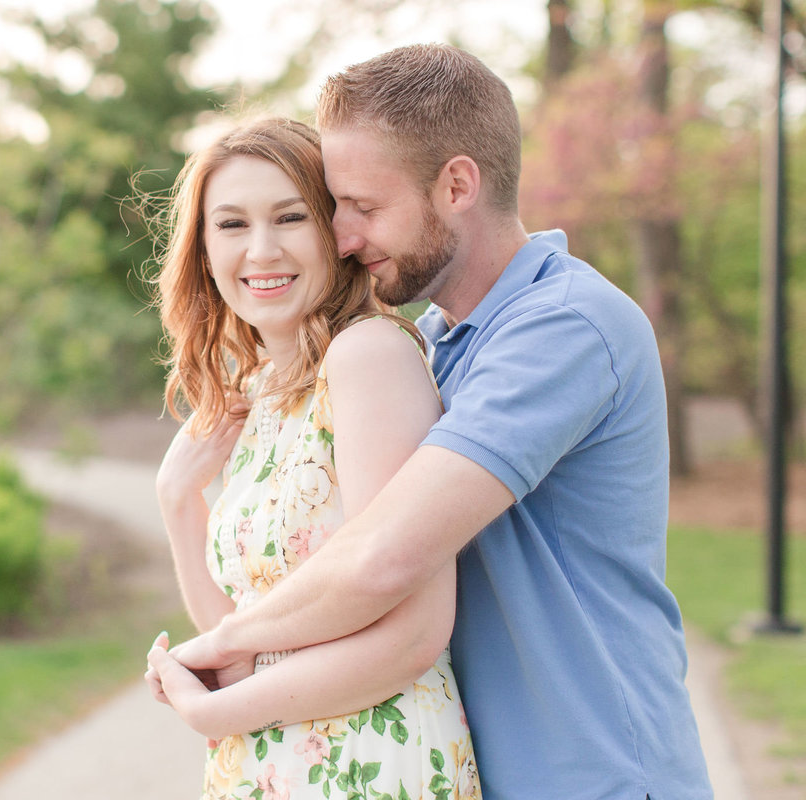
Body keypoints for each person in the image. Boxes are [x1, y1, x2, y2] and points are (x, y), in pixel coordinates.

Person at [164, 45, 714, 800]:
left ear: (457, 184)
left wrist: (225, 649)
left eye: (362, 205)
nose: (345, 235)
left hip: (595, 773)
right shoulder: (441, 343)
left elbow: (385, 558)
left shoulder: (565, 327)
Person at [143, 117, 481, 800]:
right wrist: (179, 504)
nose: (261, 250)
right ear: (203, 249)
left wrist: (220, 712)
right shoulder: (257, 392)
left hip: (370, 765)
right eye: (232, 225)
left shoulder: (369, 357)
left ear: (337, 232)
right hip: (271, 768)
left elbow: (414, 635)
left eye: (290, 218)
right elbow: (242, 643)